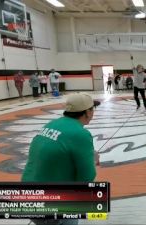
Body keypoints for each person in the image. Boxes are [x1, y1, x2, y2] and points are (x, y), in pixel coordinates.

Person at [22, 93, 100, 225]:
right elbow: (87, 177)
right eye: (93, 109)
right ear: (87, 112)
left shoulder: (52, 124)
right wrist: (92, 161)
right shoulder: (81, 134)